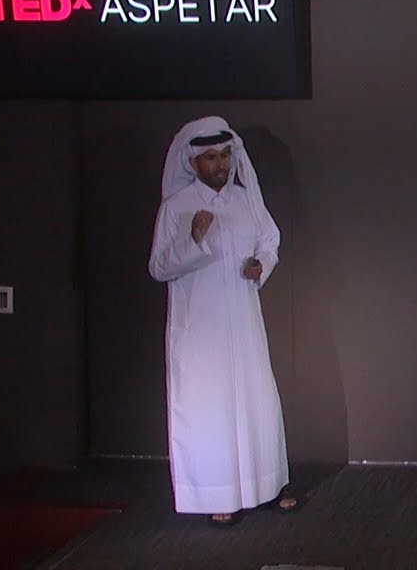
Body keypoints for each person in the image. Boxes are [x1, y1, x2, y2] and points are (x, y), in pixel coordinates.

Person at [148, 116, 298, 526]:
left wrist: (260, 265)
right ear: (194, 163)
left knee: (256, 401)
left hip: (244, 322)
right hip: (200, 330)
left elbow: (270, 240)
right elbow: (158, 266)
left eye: (225, 155)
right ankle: (218, 495)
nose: (220, 164)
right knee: (208, 410)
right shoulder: (176, 208)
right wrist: (193, 239)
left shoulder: (245, 200)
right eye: (211, 157)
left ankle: (265, 487)